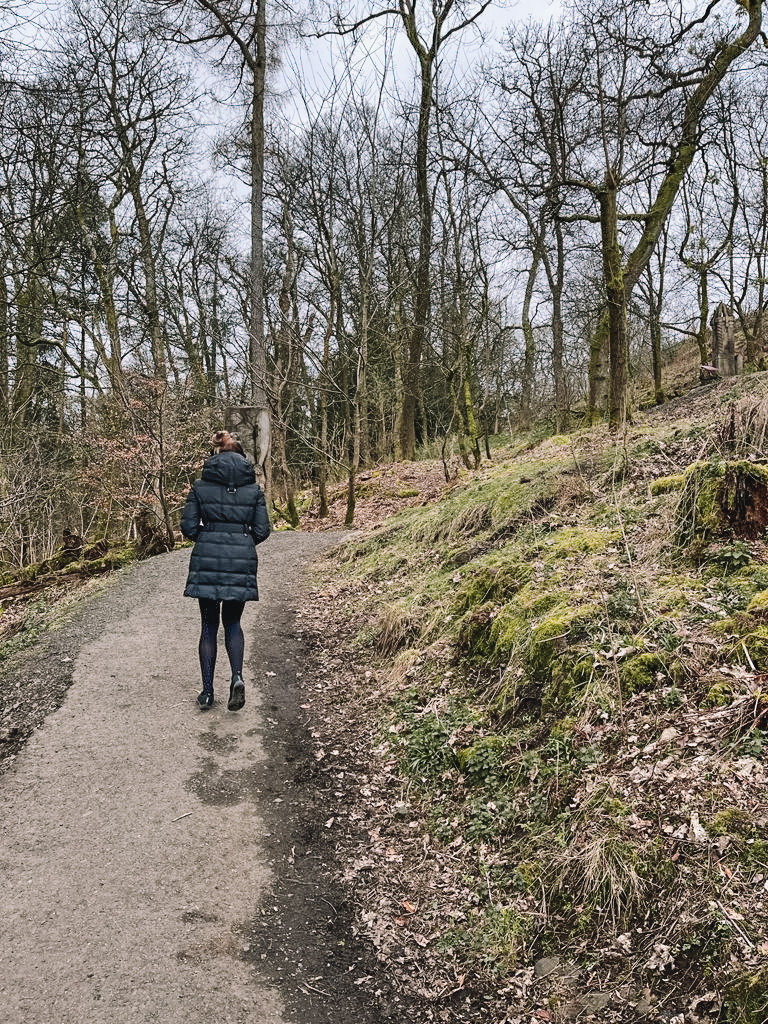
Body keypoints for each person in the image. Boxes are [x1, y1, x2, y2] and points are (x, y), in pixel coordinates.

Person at [181, 430, 271, 711]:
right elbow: (261, 530)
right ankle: (237, 677)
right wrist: (242, 543)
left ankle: (207, 693)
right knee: (232, 622)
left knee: (208, 625)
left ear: (215, 456)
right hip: (241, 560)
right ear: (242, 457)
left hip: (207, 559)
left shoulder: (199, 486)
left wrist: (207, 539)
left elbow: (188, 527)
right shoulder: (254, 490)